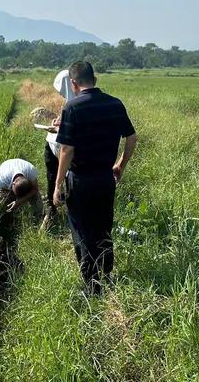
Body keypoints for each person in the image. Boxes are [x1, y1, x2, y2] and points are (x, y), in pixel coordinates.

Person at [54, 61, 137, 295]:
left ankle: (92, 286)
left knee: (82, 230)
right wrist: (120, 164)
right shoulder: (114, 103)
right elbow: (131, 138)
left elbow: (67, 150)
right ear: (95, 79)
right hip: (105, 177)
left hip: (80, 180)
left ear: (73, 83)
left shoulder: (72, 107)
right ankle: (106, 274)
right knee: (103, 226)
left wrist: (58, 184)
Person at [43, 70, 76, 226]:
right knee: (52, 175)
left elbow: (73, 132)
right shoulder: (69, 102)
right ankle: (52, 210)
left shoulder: (76, 104)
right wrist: (58, 121)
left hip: (64, 148)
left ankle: (68, 210)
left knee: (65, 178)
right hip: (54, 145)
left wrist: (58, 129)